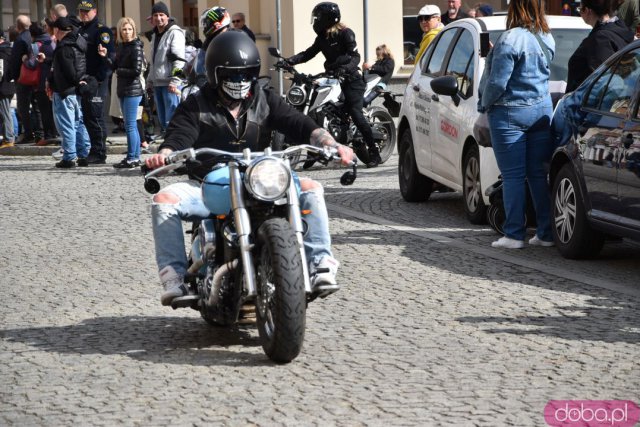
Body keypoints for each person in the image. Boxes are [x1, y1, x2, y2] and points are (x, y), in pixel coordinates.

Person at [144, 30, 355, 306]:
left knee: (312, 187)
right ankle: (174, 276)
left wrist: (331, 143)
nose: (240, 81)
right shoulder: (196, 104)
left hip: (261, 178)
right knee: (164, 199)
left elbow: (299, 124)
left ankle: (320, 264)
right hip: (209, 185)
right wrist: (165, 154)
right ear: (216, 74)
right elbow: (179, 135)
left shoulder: (265, 98)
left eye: (245, 74)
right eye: (232, 75)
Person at [477, 0, 556, 249]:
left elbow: (498, 83)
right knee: (537, 175)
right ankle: (545, 233)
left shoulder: (509, 38)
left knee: (512, 176)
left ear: (515, 8)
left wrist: (483, 106)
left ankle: (513, 234)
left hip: (510, 112)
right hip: (541, 110)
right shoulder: (546, 37)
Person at [286, 2, 382, 168]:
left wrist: (345, 69)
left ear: (327, 18)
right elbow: (308, 53)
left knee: (355, 113)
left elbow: (355, 57)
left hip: (352, 80)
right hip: (333, 79)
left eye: (317, 18)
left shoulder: (346, 34)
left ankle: (374, 152)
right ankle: (314, 152)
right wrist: (289, 61)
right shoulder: (322, 38)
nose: (315, 21)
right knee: (316, 109)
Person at [99, 17, 145, 169]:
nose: (127, 32)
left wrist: (119, 71)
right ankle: (135, 157)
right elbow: (114, 67)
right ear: (120, 31)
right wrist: (105, 56)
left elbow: (136, 71)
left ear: (134, 30)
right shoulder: (122, 46)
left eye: (129, 29)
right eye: (124, 29)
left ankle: (132, 157)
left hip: (133, 90)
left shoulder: (136, 46)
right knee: (130, 125)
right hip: (124, 89)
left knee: (130, 125)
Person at [47, 16, 90, 169]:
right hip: (75, 91)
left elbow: (69, 71)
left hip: (65, 91)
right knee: (78, 124)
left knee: (67, 125)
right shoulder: (78, 43)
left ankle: (69, 157)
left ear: (58, 30)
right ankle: (84, 154)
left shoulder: (63, 47)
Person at [566, 0, 634, 93]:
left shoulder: (600, 39)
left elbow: (604, 83)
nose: (580, 13)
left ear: (588, 11)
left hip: (589, 103)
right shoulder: (617, 29)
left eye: (580, 9)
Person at [77, 0, 115, 165]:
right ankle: (94, 150)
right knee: (88, 117)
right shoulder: (81, 29)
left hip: (97, 81)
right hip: (85, 80)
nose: (84, 14)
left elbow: (108, 58)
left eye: (87, 11)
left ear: (95, 12)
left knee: (96, 117)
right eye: (81, 11)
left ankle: (99, 153)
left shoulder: (102, 31)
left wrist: (99, 79)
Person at [147, 1, 186, 134]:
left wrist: (175, 81)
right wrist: (150, 80)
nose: (158, 18)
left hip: (170, 84)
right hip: (158, 84)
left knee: (172, 120)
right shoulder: (154, 35)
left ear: (167, 16)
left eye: (161, 15)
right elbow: (154, 61)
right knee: (163, 122)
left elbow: (180, 60)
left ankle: (175, 150)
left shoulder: (175, 33)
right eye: (156, 15)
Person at [29, 22, 57, 145]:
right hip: (53, 80)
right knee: (53, 109)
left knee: (44, 110)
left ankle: (49, 135)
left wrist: (24, 59)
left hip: (41, 82)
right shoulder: (53, 42)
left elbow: (32, 64)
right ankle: (55, 133)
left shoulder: (35, 45)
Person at [9, 15, 34, 145]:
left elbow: (14, 61)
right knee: (35, 107)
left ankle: (28, 133)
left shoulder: (20, 39)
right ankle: (37, 132)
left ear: (18, 26)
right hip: (35, 76)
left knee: (22, 107)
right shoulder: (31, 36)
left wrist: (13, 76)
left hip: (23, 77)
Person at [0, 30, 16, 149]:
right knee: (7, 112)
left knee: (5, 113)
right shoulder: (10, 50)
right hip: (9, 86)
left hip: (3, 87)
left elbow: (0, 71)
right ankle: (8, 137)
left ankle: (9, 138)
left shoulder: (1, 52)